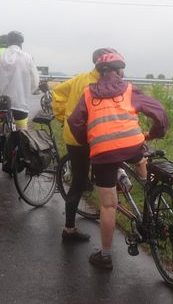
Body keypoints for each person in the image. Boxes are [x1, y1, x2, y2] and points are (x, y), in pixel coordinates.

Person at [68, 51, 168, 269]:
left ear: (100, 72)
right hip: (132, 145)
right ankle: (150, 200)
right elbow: (159, 112)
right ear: (120, 70)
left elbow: (74, 122)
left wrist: (89, 141)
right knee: (141, 160)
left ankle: (104, 256)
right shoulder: (130, 89)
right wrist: (155, 134)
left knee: (108, 205)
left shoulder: (88, 93)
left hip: (103, 153)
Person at [52, 48, 117, 242]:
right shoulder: (102, 85)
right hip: (92, 138)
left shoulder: (80, 78)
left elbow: (57, 92)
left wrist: (62, 117)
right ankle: (71, 230)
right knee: (86, 182)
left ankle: (70, 227)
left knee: (78, 182)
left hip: (73, 137)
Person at [0, 31, 39, 170]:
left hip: (1, 103)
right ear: (20, 43)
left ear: (7, 42)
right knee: (23, 132)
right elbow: (35, 82)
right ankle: (26, 162)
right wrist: (27, 91)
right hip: (20, 104)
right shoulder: (27, 58)